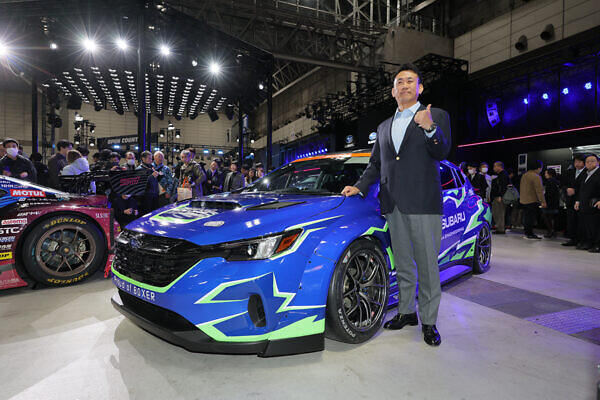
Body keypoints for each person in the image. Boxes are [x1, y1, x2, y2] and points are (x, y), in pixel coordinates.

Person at [341, 63, 451, 347]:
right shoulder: (383, 127)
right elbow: (375, 164)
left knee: (427, 266)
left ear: (420, 88)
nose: (404, 85)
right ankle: (406, 311)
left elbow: (442, 150)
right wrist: (360, 186)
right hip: (393, 204)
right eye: (399, 82)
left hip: (424, 203)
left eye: (410, 81)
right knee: (402, 263)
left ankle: (429, 322)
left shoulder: (435, 115)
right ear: (393, 91)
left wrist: (429, 128)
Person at [574, 154, 600, 252]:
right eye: (587, 161)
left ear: (598, 162)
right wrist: (577, 201)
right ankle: (588, 242)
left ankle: (597, 244)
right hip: (584, 204)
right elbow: (581, 189)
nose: (589, 163)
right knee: (586, 225)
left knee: (596, 225)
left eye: (592, 161)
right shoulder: (584, 174)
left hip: (596, 204)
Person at [562, 154, 586, 247]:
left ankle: (581, 240)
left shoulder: (587, 172)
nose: (577, 164)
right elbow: (563, 184)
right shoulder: (570, 172)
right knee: (571, 221)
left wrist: (575, 191)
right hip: (570, 200)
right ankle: (573, 239)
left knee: (580, 221)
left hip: (581, 201)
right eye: (575, 161)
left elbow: (586, 187)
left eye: (579, 161)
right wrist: (567, 189)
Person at [519, 160, 547, 240]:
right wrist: (543, 202)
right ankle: (530, 234)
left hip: (523, 200)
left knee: (526, 217)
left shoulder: (524, 175)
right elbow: (539, 191)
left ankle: (527, 233)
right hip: (532, 200)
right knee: (531, 218)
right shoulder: (536, 176)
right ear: (538, 168)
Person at [136, 151, 160, 215]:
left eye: (151, 158)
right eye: (149, 158)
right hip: (145, 198)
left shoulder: (151, 167)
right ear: (143, 158)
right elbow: (140, 183)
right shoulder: (139, 169)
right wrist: (152, 176)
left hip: (154, 196)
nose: (151, 160)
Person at [491, 161, 509, 234]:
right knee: (497, 212)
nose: (494, 168)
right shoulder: (501, 175)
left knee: (500, 213)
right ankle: (499, 227)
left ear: (499, 166)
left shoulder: (503, 175)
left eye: (495, 166)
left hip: (499, 197)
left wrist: (500, 196)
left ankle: (501, 229)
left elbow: (503, 186)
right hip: (498, 197)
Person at [541, 168, 560, 238]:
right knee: (551, 217)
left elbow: (549, 193)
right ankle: (553, 231)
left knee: (546, 216)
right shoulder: (556, 181)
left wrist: (544, 200)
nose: (545, 174)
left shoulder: (550, 181)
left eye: (546, 173)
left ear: (550, 174)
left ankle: (551, 231)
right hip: (555, 202)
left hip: (550, 202)